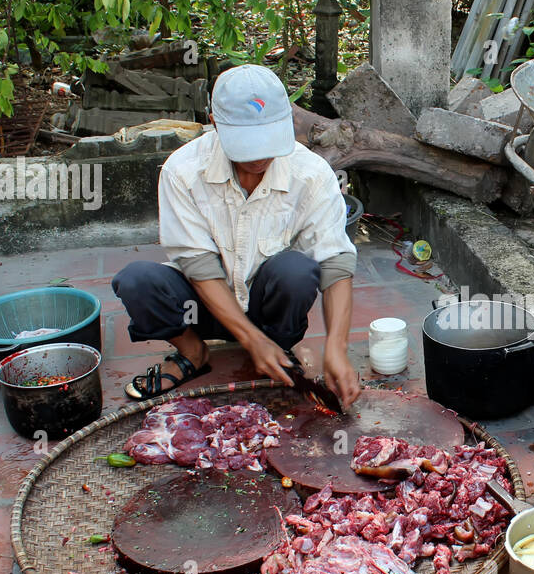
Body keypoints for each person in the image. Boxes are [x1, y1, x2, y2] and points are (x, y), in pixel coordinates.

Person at [113, 63, 362, 408]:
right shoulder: (182, 170)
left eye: (269, 142)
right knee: (137, 281)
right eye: (248, 145)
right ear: (215, 125)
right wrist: (249, 339)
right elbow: (197, 264)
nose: (260, 157)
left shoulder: (311, 174)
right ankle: (193, 352)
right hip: (202, 308)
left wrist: (337, 347)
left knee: (296, 271)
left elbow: (334, 260)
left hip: (267, 308)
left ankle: (275, 346)